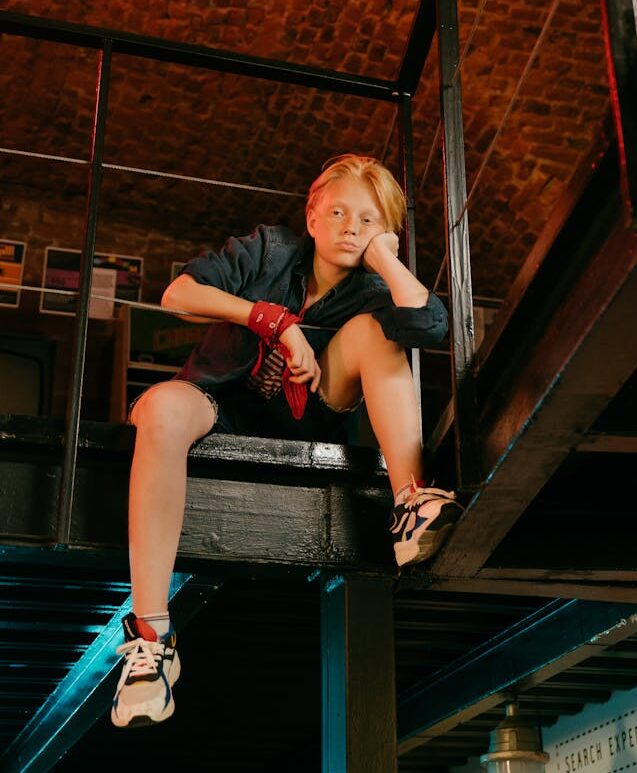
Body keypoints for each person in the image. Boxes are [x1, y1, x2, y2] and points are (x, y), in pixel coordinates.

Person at [111, 154, 462, 728]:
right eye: (341, 212)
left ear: (387, 234)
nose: (351, 227)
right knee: (158, 408)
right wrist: (272, 321)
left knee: (378, 334)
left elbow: (430, 327)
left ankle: (410, 503)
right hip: (218, 405)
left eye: (369, 220)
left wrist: (386, 260)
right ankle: (152, 639)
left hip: (311, 421)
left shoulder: (375, 289)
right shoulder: (269, 250)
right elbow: (178, 294)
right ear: (313, 215)